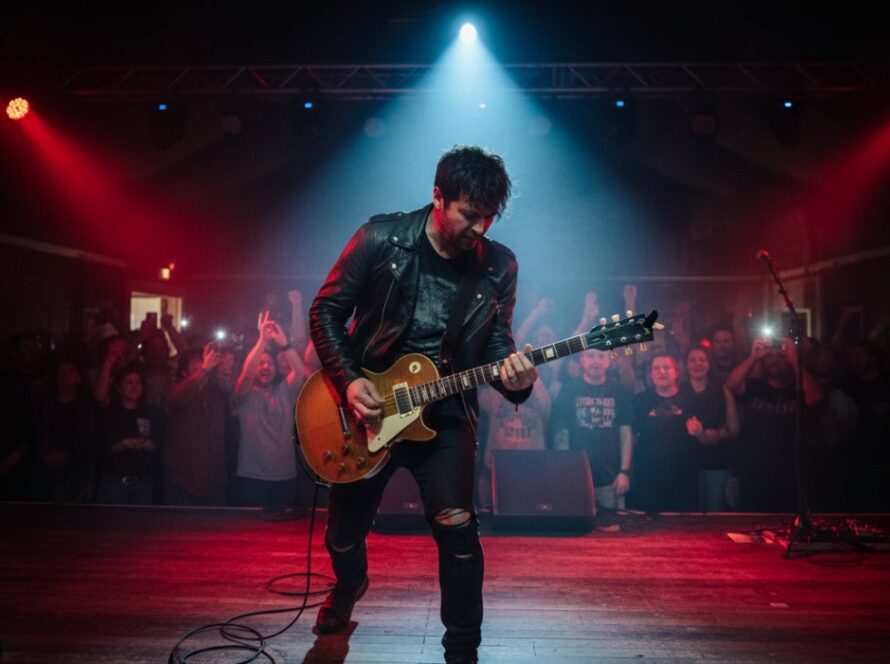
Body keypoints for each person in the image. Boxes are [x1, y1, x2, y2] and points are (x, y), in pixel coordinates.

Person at [308, 145, 536, 664]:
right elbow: (325, 311)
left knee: (459, 531)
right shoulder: (380, 238)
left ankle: (462, 652)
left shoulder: (499, 266)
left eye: (489, 217)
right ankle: (347, 588)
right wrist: (348, 381)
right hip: (369, 413)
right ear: (438, 196)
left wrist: (517, 380)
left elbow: (498, 344)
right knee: (343, 536)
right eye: (469, 214)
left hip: (447, 414)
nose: (480, 228)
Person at [232, 312, 306, 508]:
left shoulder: (285, 391)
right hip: (252, 478)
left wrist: (284, 343)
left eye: (270, 363)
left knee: (282, 537)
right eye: (261, 364)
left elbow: (300, 372)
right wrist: (263, 340)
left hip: (284, 477)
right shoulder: (245, 395)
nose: (265, 367)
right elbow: (247, 373)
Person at [552, 349, 633, 514]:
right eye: (590, 356)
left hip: (611, 481)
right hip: (576, 480)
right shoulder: (568, 390)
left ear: (608, 361)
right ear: (582, 360)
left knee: (614, 535)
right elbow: (561, 434)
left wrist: (624, 471)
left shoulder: (619, 391)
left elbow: (626, 433)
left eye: (601, 356)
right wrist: (565, 471)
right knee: (576, 533)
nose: (596, 361)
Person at [629, 354, 698, 512]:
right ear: (651, 375)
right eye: (656, 368)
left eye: (666, 368)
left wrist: (700, 431)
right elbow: (630, 436)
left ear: (676, 372)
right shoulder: (639, 401)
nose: (662, 372)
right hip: (648, 476)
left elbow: (703, 434)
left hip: (683, 477)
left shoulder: (691, 399)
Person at [683, 345, 740, 512]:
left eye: (702, 360)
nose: (697, 364)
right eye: (692, 360)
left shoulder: (721, 391)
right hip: (686, 463)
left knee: (715, 517)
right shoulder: (678, 390)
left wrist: (717, 434)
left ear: (709, 364)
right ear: (685, 365)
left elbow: (734, 429)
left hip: (717, 462)